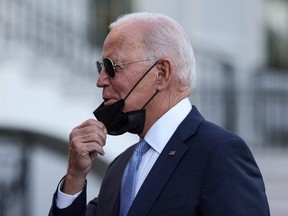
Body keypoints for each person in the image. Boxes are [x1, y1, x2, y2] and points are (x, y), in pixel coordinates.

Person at [49, 12, 269, 216]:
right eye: (101, 68)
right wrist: (74, 178)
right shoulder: (120, 167)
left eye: (112, 66)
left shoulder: (219, 153)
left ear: (161, 73)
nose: (101, 80)